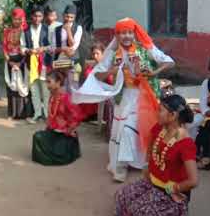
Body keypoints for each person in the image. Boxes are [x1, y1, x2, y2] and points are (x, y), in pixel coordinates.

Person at [73, 17, 175, 182]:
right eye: (122, 33)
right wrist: (111, 72)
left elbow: (169, 62)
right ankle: (122, 164)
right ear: (117, 35)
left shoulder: (144, 48)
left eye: (129, 32)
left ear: (134, 33)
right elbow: (97, 74)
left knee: (129, 129)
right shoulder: (112, 52)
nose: (126, 36)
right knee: (120, 130)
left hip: (143, 97)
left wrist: (154, 73)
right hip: (123, 97)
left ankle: (125, 166)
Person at [115, 94, 198, 216]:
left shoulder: (185, 143)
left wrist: (172, 189)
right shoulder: (160, 128)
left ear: (172, 115)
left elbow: (193, 181)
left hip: (169, 192)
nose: (156, 113)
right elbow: (152, 145)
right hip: (153, 183)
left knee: (136, 211)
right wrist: (147, 165)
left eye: (160, 110)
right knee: (122, 196)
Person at [32, 70, 82, 166]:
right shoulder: (52, 97)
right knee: (37, 137)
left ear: (58, 83)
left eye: (49, 82)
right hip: (53, 132)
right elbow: (51, 117)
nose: (47, 85)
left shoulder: (66, 98)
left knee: (59, 151)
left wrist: (69, 130)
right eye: (46, 82)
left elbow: (77, 116)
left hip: (65, 135)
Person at [21, 6, 51, 124]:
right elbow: (22, 47)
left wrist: (42, 49)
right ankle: (37, 113)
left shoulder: (47, 29)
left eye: (39, 16)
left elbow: (51, 46)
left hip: (43, 63)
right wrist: (29, 51)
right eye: (35, 16)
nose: (37, 18)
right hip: (31, 63)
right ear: (31, 17)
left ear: (43, 17)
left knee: (45, 89)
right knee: (34, 89)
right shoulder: (26, 31)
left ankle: (47, 115)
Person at [3, 8, 33, 120]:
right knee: (11, 86)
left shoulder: (26, 31)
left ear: (23, 19)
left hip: (23, 60)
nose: (16, 21)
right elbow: (4, 47)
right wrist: (9, 62)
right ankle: (12, 113)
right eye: (14, 19)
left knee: (24, 86)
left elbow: (27, 48)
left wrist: (21, 63)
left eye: (18, 19)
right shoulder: (7, 31)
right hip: (10, 60)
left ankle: (26, 113)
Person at [51, 5, 83, 94]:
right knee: (62, 89)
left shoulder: (78, 28)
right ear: (63, 15)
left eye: (71, 17)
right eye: (67, 16)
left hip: (74, 64)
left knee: (74, 88)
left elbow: (73, 47)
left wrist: (68, 30)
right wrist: (64, 49)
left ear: (75, 17)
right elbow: (53, 48)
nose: (69, 19)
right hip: (59, 64)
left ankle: (74, 107)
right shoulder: (56, 30)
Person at [78, 43, 106, 124]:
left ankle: (93, 115)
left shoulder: (107, 66)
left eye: (97, 53)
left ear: (103, 54)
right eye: (94, 54)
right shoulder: (92, 66)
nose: (95, 56)